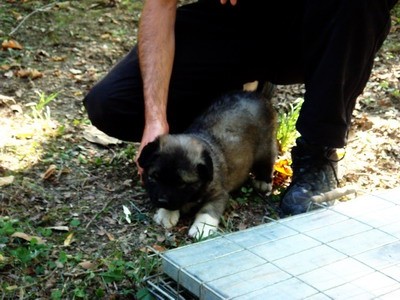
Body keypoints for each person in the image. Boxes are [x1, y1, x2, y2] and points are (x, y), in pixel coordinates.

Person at [83, 0, 398, 216]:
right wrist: (155, 118)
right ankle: (232, 109)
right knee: (112, 105)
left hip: (310, 27)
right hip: (233, 24)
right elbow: (160, 7)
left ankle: (318, 151)